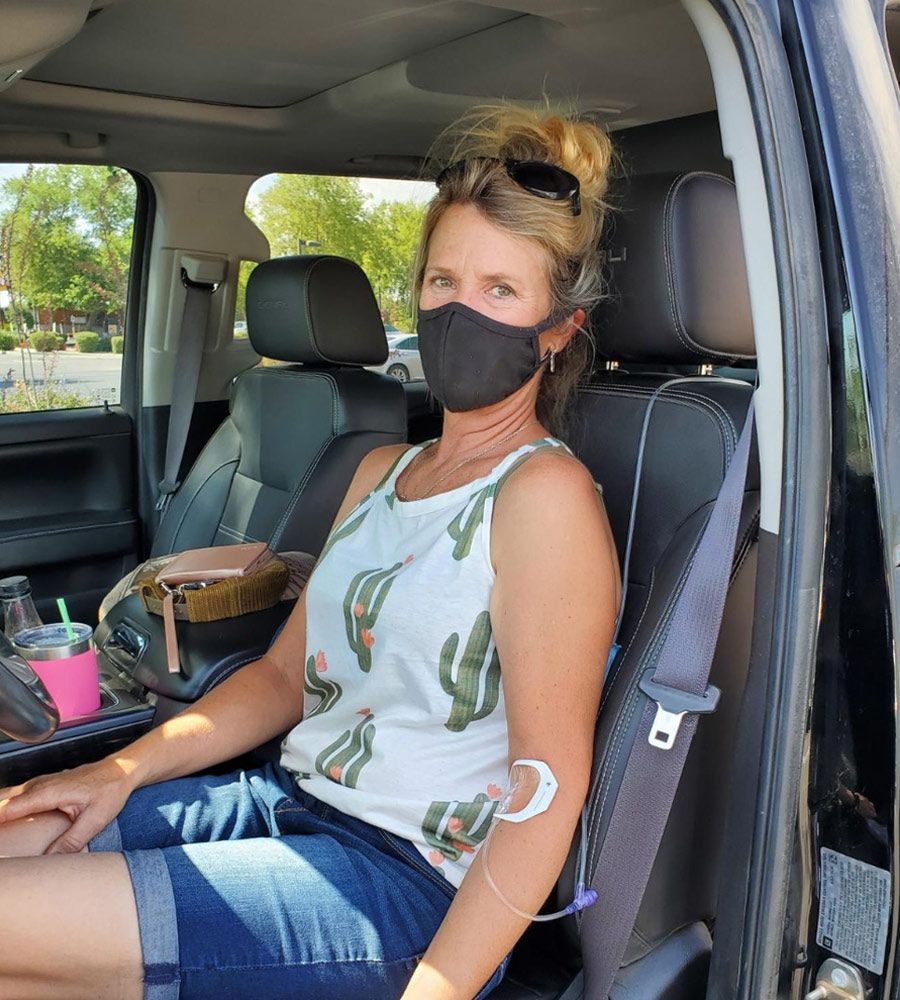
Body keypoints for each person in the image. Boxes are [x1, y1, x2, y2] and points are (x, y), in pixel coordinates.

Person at [0, 104, 621, 1000]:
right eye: (442, 281)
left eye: (500, 292)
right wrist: (115, 769)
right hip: (283, 800)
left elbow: (542, 792)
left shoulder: (544, 497)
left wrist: (440, 990)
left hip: (402, 884)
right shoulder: (379, 471)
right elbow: (282, 680)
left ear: (559, 327)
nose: (458, 312)